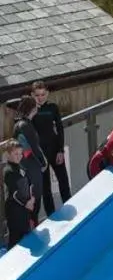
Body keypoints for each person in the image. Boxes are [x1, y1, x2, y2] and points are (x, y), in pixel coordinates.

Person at [31, 81, 70, 215]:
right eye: (37, 95)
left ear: (47, 94)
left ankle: (69, 206)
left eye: (43, 94)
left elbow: (59, 129)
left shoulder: (53, 107)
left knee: (63, 181)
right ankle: (51, 215)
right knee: (46, 188)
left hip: (54, 150)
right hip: (41, 154)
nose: (40, 97)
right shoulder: (31, 111)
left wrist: (60, 150)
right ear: (32, 95)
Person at [12, 96, 47, 219]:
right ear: (32, 109)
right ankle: (33, 223)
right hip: (31, 165)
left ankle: (32, 223)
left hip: (24, 164)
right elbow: (34, 146)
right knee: (35, 198)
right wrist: (43, 163)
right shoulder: (25, 125)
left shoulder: (18, 123)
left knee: (28, 196)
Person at [3, 139, 37, 249]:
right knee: (15, 239)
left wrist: (32, 198)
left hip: (25, 209)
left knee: (26, 236)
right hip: (14, 211)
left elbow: (30, 183)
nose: (19, 156)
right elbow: (15, 193)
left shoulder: (21, 167)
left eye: (20, 153)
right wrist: (27, 203)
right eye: (15, 154)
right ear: (8, 154)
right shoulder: (8, 171)